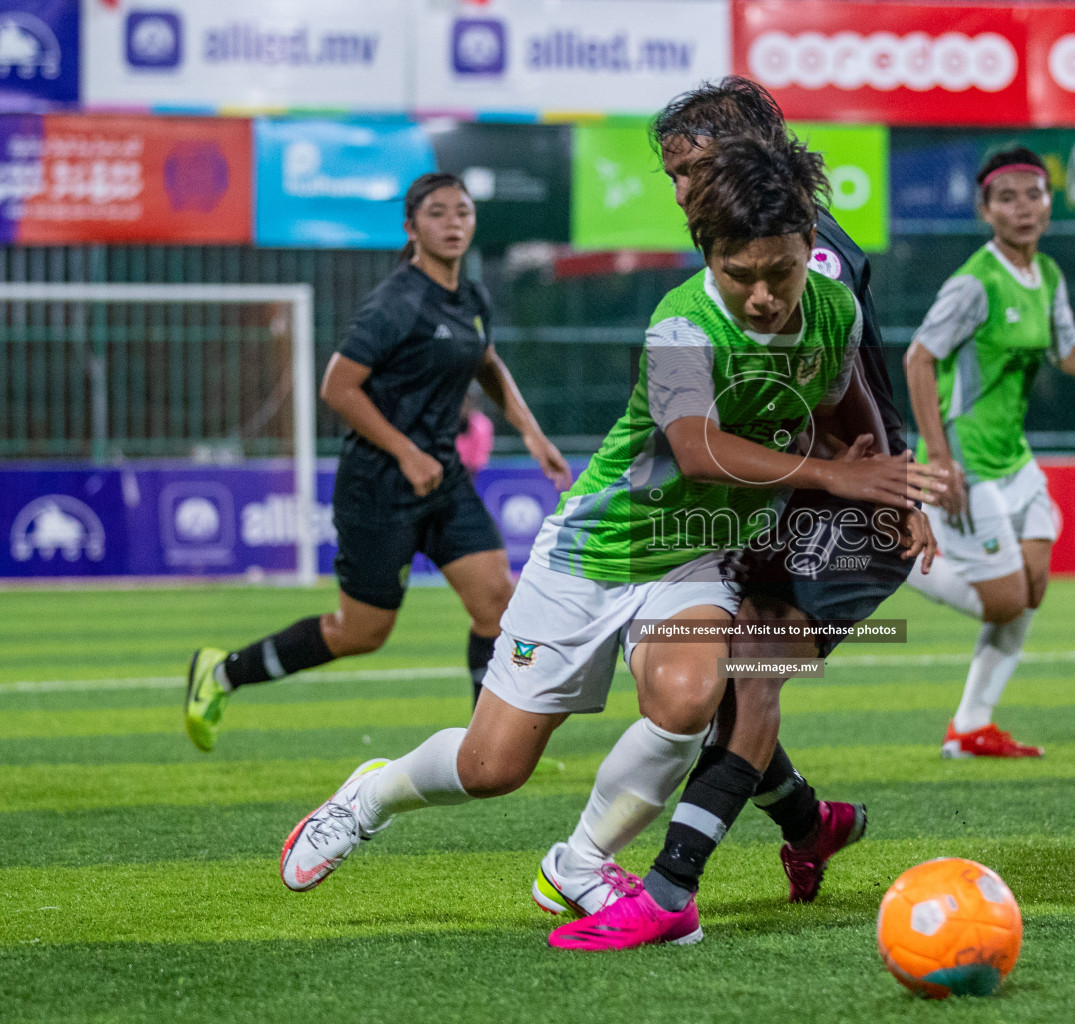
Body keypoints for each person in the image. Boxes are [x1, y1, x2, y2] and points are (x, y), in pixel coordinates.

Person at [275, 139, 939, 954]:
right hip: (598, 551)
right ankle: (371, 796)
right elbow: (698, 450)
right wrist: (838, 481)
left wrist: (890, 476)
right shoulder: (680, 325)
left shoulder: (835, 311)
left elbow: (844, 406)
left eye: (782, 271)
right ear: (709, 255)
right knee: (494, 769)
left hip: (698, 556)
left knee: (691, 698)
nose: (763, 295)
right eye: (741, 274)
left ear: (812, 247)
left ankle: (579, 861)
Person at [535, 79, 940, 948]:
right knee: (713, 683)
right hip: (792, 494)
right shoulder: (742, 254)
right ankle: (807, 823)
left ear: (751, 154)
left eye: (691, 168)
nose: (680, 190)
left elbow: (847, 406)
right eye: (675, 173)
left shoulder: (797, 255)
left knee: (748, 664)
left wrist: (886, 484)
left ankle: (669, 889)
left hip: (843, 496)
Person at [183, 172, 571, 749]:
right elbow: (338, 388)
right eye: (437, 213)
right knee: (360, 633)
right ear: (411, 227)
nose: (453, 223)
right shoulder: (397, 302)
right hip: (380, 485)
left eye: (462, 212)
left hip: (442, 477)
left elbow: (485, 360)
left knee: (497, 606)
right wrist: (406, 451)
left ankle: (483, 744)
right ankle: (221, 672)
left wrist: (531, 431)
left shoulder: (471, 295)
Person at [904, 146, 1075, 758]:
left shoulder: (1049, 275)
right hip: (966, 459)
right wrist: (937, 460)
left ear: (1049, 205)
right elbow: (918, 358)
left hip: (1013, 458)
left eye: (1033, 194)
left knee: (1032, 590)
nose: (1023, 208)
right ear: (986, 210)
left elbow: (1068, 353)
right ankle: (891, 560)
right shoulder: (973, 284)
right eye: (1006, 198)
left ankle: (971, 728)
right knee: (1003, 600)